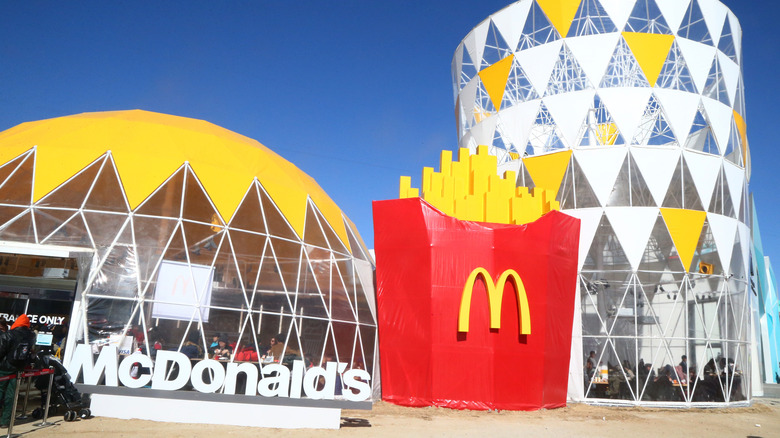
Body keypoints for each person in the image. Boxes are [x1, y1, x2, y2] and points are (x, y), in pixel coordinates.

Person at [0, 315, 36, 428]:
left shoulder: (9, 335)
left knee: (0, 391)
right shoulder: (31, 336)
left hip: (4, 368)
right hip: (19, 368)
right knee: (11, 394)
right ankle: (5, 421)